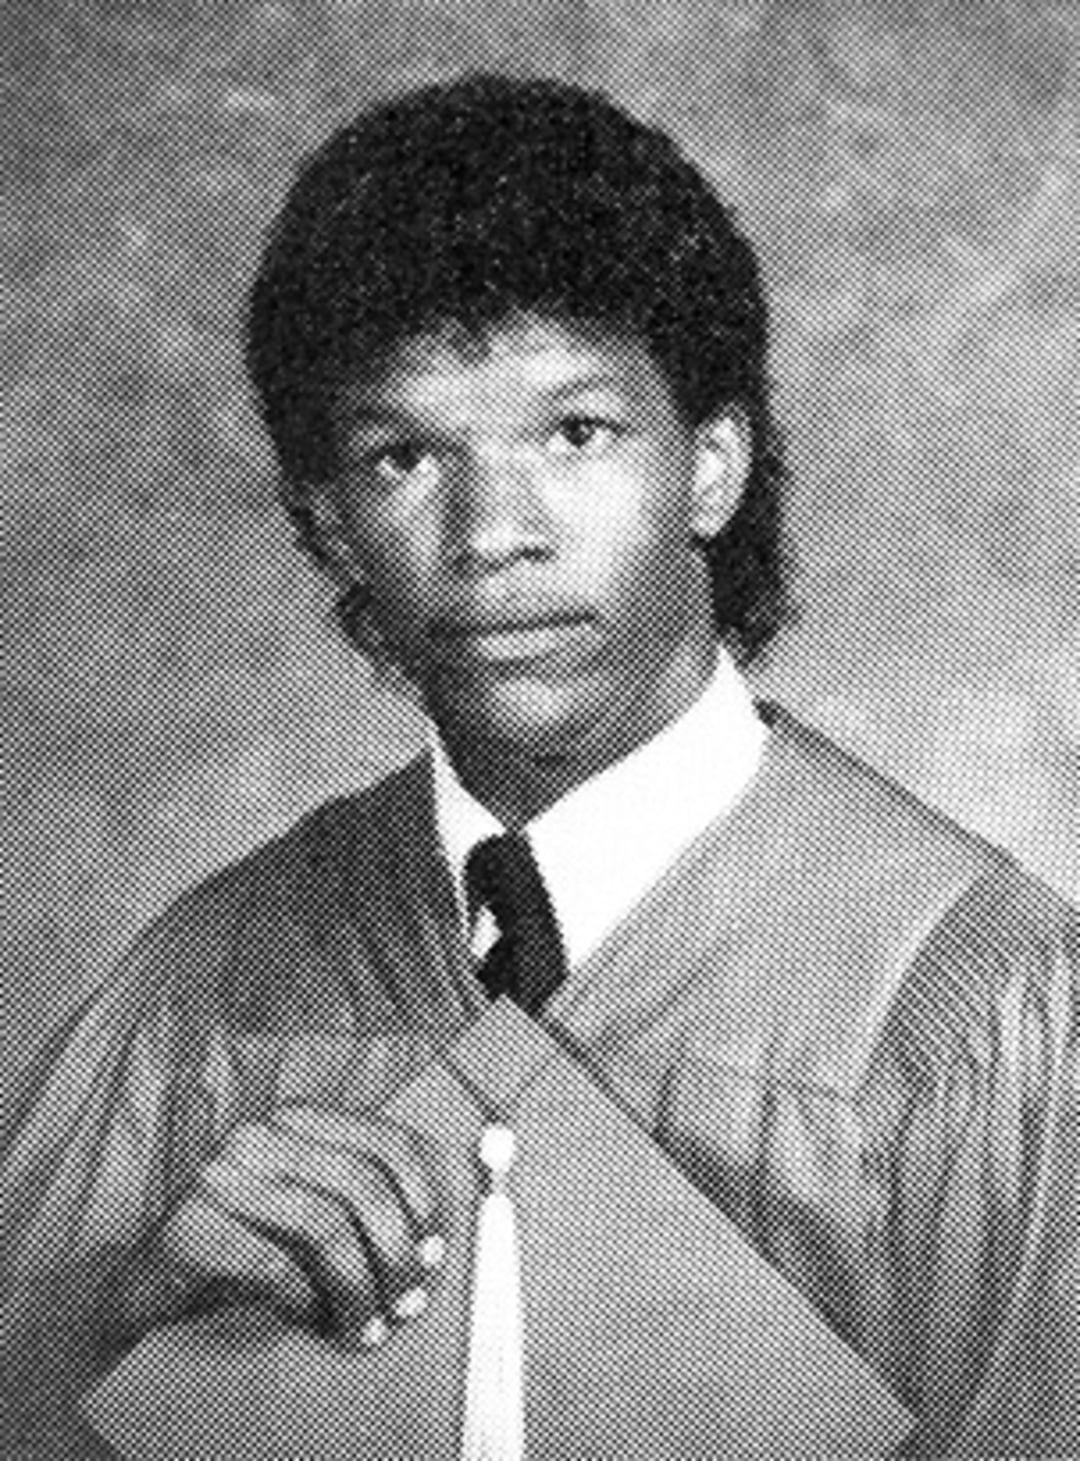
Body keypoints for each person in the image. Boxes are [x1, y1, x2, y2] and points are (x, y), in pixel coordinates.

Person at [3, 71, 1079, 1458]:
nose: (492, 531)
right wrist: (124, 1318)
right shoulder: (202, 994)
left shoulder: (984, 1012)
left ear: (711, 463)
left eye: (576, 432)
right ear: (329, 525)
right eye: (405, 456)